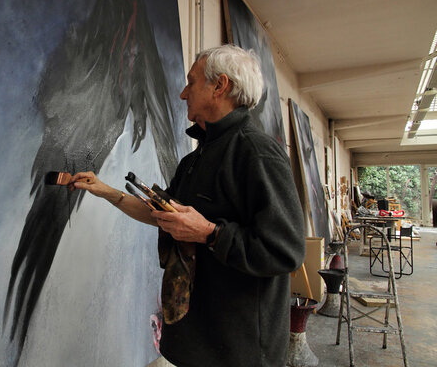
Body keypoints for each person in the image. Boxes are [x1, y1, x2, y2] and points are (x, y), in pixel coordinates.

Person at [70, 44, 306, 366]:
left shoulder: (256, 154)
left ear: (219, 86)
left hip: (239, 351)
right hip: (193, 341)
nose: (183, 93)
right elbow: (165, 216)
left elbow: (286, 250)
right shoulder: (194, 160)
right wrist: (106, 191)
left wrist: (209, 232)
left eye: (191, 82)